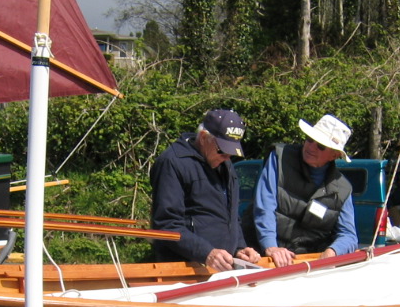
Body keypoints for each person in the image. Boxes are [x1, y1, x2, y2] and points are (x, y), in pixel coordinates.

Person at [150, 109, 261, 270]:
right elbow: (167, 224)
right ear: (203, 138)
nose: (227, 158)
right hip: (183, 270)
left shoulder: (224, 164)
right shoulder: (172, 163)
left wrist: (240, 248)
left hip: (221, 269)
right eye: (223, 150)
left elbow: (232, 216)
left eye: (232, 153)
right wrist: (206, 253)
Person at [244, 114, 358, 268]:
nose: (311, 147)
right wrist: (271, 246)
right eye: (309, 139)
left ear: (335, 155)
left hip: (304, 264)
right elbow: (265, 205)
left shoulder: (343, 189)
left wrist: (331, 252)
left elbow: (349, 236)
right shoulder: (279, 157)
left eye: (320, 146)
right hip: (259, 256)